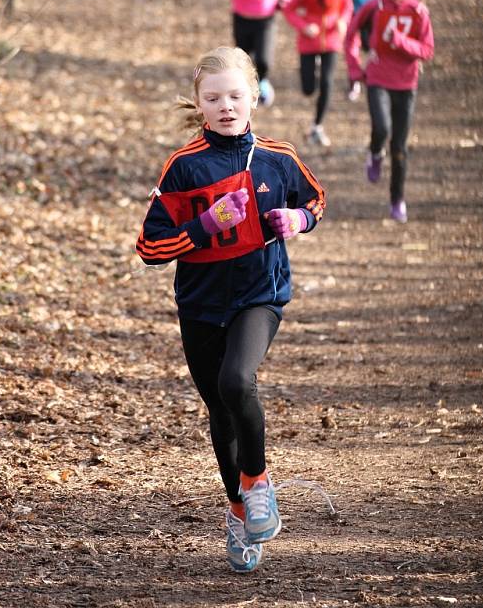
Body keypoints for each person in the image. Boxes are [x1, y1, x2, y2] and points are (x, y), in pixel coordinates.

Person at [135, 46, 326, 573]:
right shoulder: (183, 167)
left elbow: (315, 200)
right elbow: (149, 249)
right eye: (213, 97)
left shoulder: (278, 158)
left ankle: (257, 481)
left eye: (236, 95)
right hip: (199, 304)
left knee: (237, 381)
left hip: (258, 295)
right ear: (199, 102)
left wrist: (297, 221)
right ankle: (239, 511)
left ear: (254, 97)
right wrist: (204, 226)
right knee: (220, 408)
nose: (225, 106)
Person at [344, 0, 434, 223]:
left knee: (399, 147)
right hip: (378, 79)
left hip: (406, 84)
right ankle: (374, 153)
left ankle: (397, 199)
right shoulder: (374, 7)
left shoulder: (418, 12)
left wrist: (401, 41)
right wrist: (354, 69)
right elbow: (350, 35)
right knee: (382, 129)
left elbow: (427, 51)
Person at [284, 0, 352, 146]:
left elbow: (347, 7)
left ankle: (318, 125)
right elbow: (289, 10)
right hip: (309, 40)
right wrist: (304, 26)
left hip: (331, 40)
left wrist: (342, 21)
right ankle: (310, 78)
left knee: (327, 82)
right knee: (308, 88)